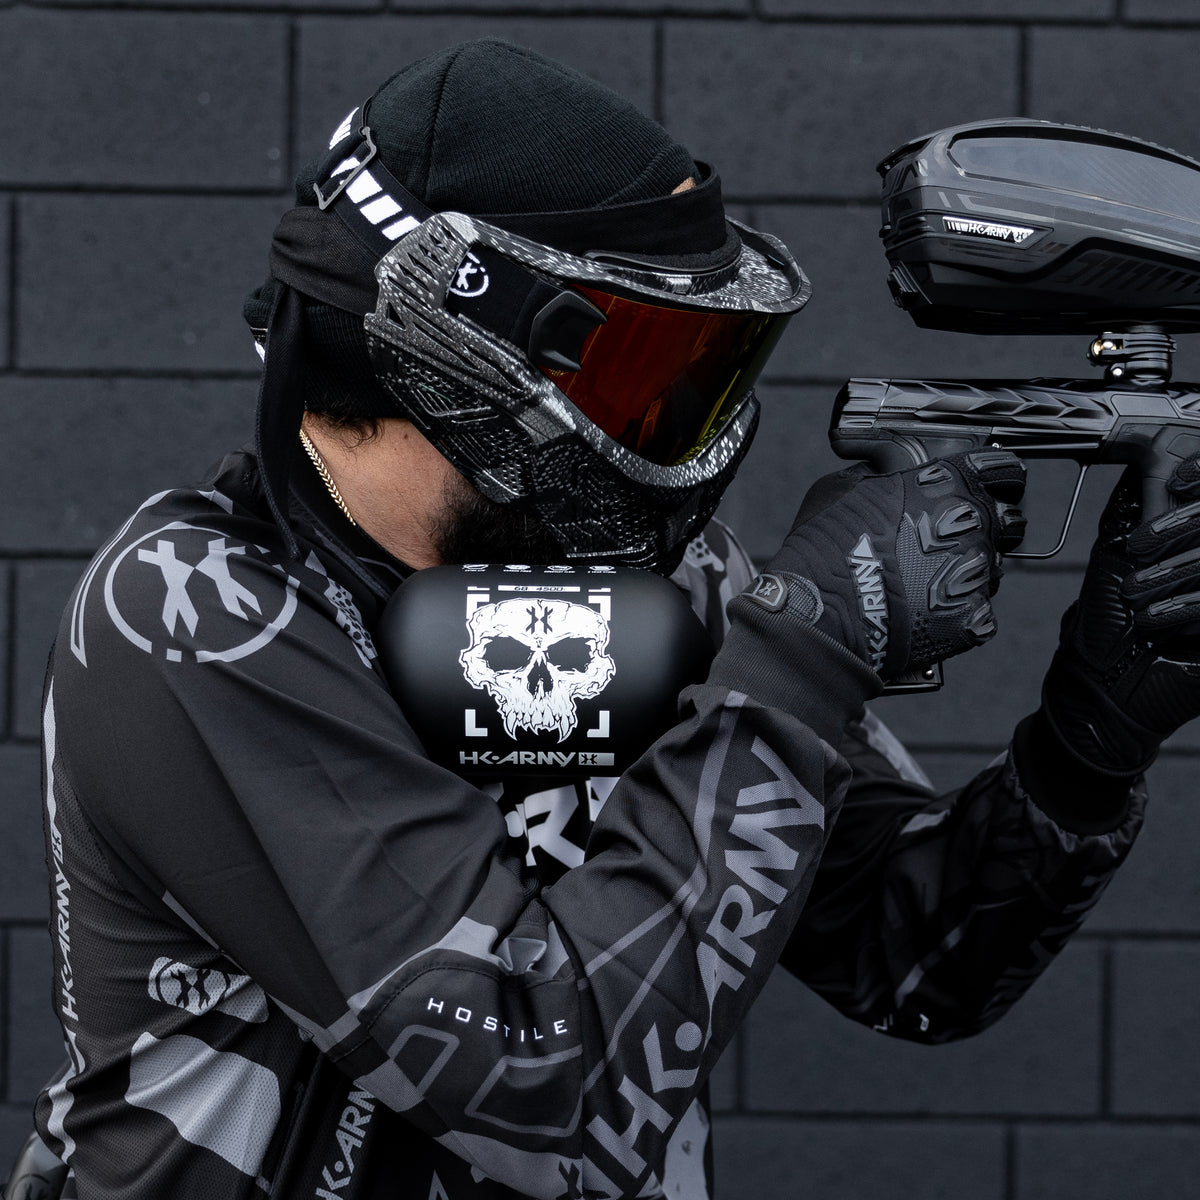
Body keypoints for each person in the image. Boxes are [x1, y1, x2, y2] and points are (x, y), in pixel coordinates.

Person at [22, 38, 1200, 1200]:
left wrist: (1093, 734)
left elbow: (915, 960)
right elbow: (544, 1091)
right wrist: (806, 651)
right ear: (461, 356)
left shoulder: (652, 581)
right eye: (641, 367)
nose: (681, 421)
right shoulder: (193, 618)